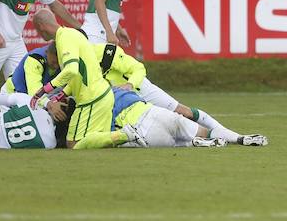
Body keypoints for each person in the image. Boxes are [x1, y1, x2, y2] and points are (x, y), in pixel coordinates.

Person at [92, 42, 266, 145]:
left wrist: (130, 84)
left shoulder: (104, 52)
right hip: (124, 105)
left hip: (140, 89)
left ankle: (237, 137)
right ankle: (198, 142)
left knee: (184, 113)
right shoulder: (71, 68)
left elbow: (138, 68)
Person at [73, 86, 267, 149]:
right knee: (205, 131)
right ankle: (239, 138)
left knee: (172, 143)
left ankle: (193, 144)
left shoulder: (97, 104)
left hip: (142, 129)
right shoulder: (123, 90)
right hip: (159, 113)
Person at [31, 9, 114, 147]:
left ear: (41, 26)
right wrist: (62, 95)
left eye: (37, 29)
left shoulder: (65, 38)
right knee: (100, 145)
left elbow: (71, 70)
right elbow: (78, 74)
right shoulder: (72, 34)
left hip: (91, 99)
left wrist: (44, 90)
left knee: (73, 143)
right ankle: (122, 136)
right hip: (102, 94)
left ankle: (123, 135)